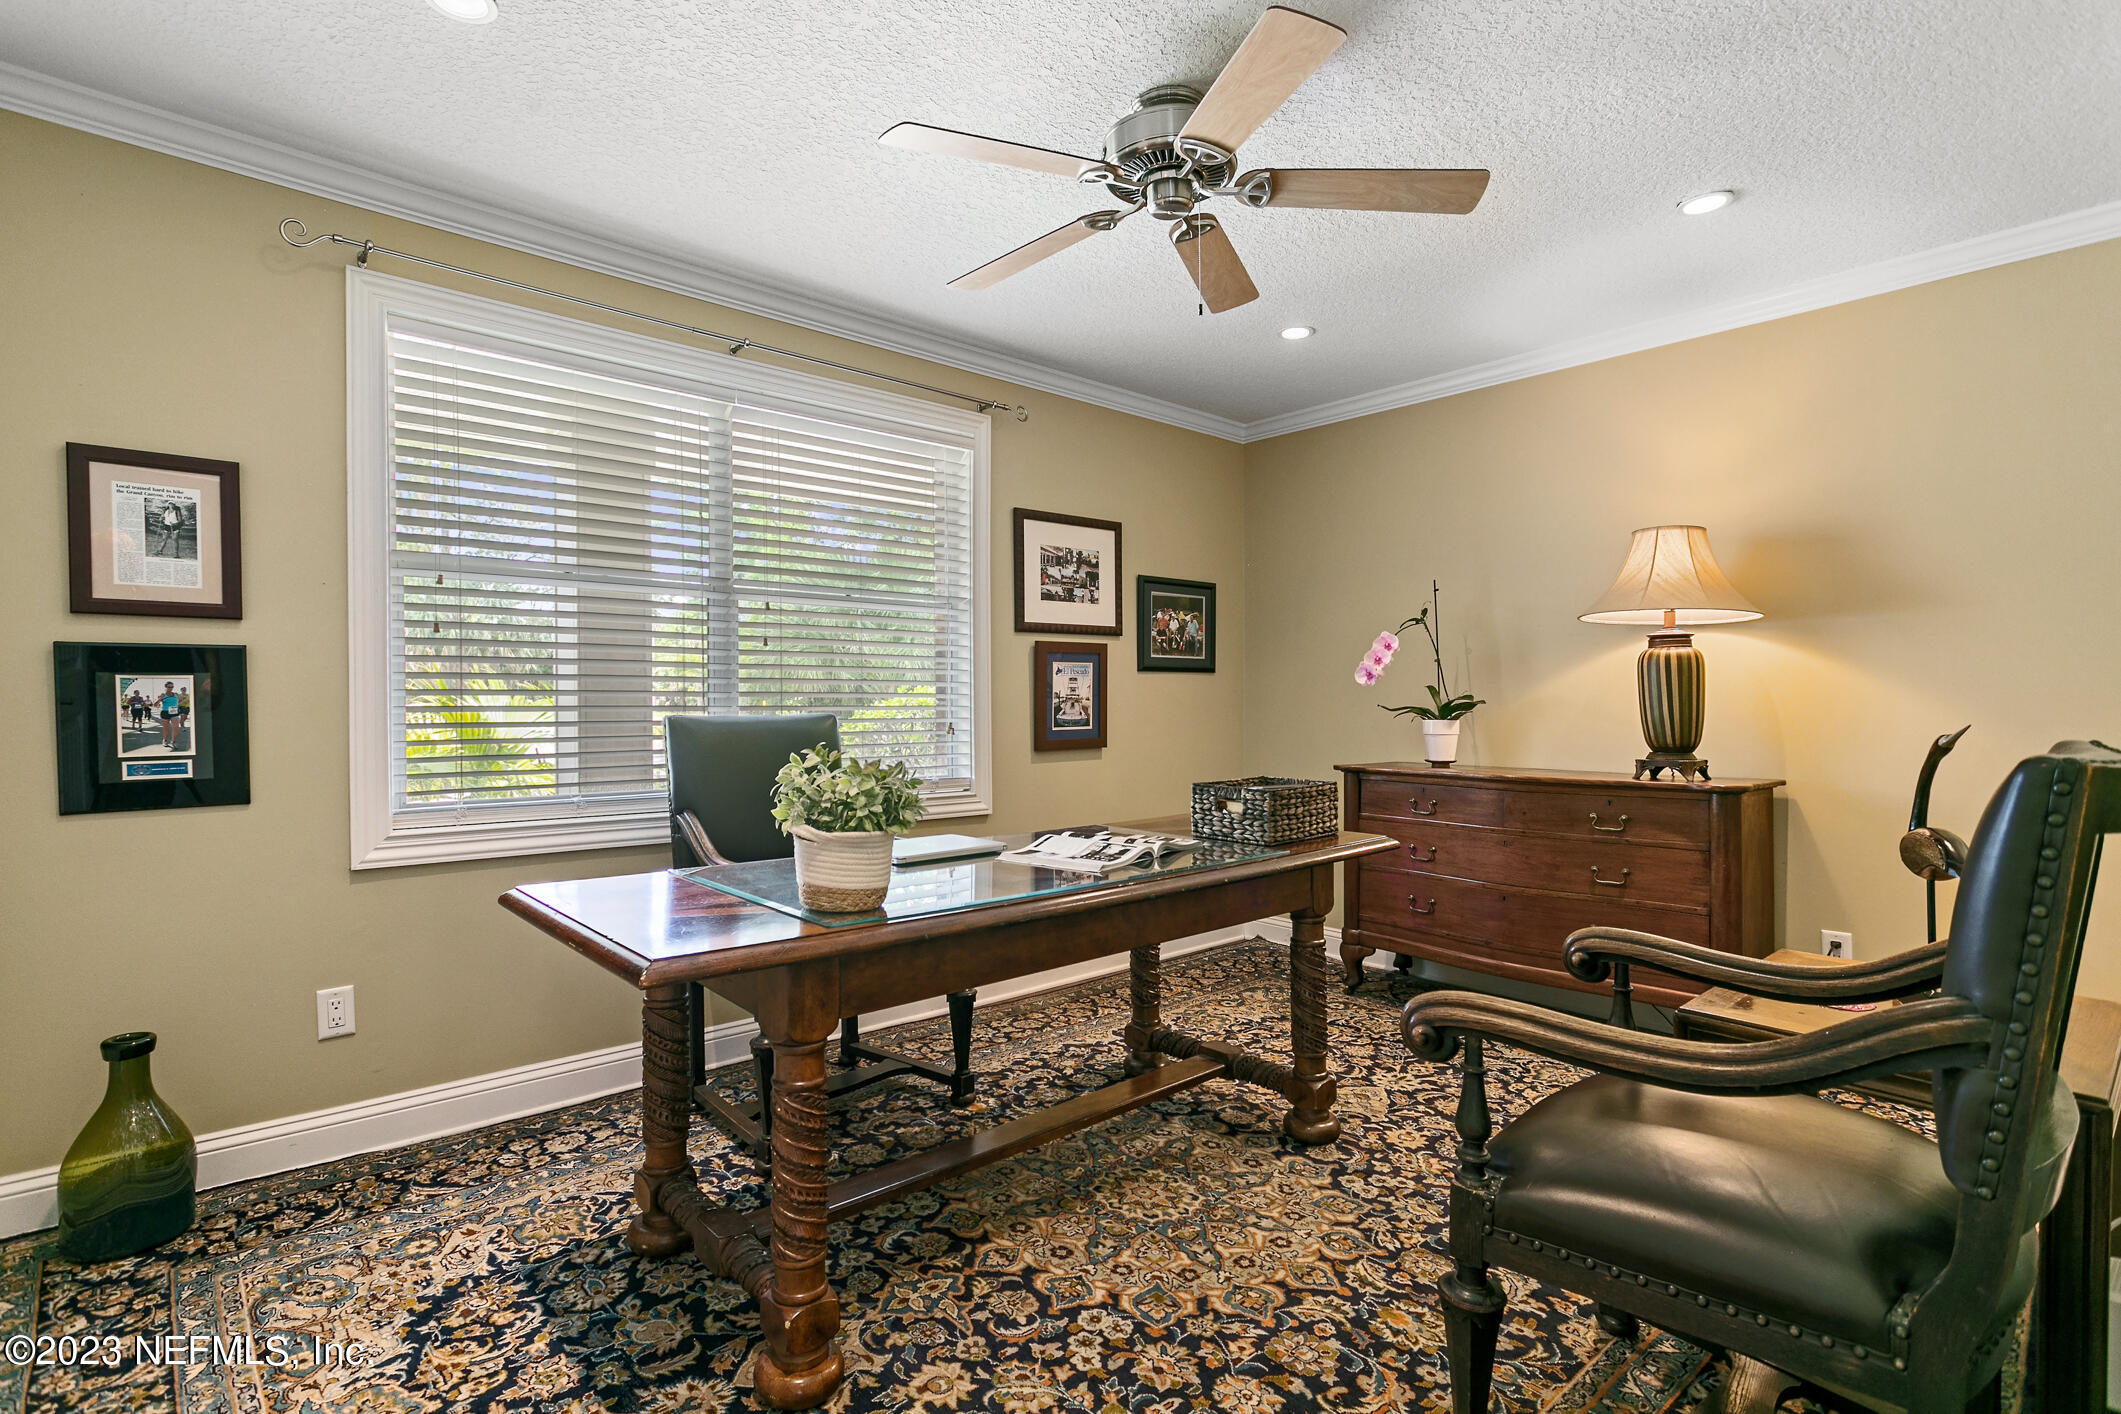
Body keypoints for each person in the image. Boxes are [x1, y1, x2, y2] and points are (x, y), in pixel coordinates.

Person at [158, 681, 181, 749]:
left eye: (172, 687)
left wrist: (177, 706)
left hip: (174, 712)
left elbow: (178, 702)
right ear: (166, 687)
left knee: (176, 726)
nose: (171, 688)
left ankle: (172, 742)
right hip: (165, 712)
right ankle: (164, 740)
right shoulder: (163, 695)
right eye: (169, 687)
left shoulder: (176, 694)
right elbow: (155, 705)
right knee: (166, 729)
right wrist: (160, 699)